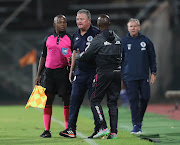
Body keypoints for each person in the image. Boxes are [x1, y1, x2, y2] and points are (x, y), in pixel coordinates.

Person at [79, 14, 121, 139]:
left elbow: (86, 56)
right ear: (109, 24)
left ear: (98, 25)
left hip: (104, 72)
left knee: (94, 99)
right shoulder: (118, 38)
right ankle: (113, 133)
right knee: (113, 102)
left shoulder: (98, 39)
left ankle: (103, 127)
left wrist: (78, 57)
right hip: (118, 72)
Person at [59, 9, 99, 138]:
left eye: (81, 19)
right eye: (77, 19)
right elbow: (74, 53)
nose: (79, 21)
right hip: (80, 73)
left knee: (94, 102)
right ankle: (71, 129)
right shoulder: (75, 35)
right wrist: (71, 71)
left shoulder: (97, 33)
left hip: (94, 72)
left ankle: (99, 129)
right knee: (74, 101)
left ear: (89, 20)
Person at [35, 14, 72, 138]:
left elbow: (73, 58)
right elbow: (43, 56)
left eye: (65, 22)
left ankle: (67, 129)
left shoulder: (70, 38)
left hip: (63, 73)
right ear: (54, 24)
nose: (63, 24)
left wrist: (72, 71)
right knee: (47, 101)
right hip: (49, 74)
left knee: (66, 100)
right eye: (60, 22)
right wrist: (38, 74)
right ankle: (47, 130)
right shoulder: (48, 38)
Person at [121, 18, 157, 134]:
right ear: (128, 28)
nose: (133, 28)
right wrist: (120, 76)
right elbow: (119, 60)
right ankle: (136, 125)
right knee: (133, 101)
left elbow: (152, 57)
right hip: (129, 77)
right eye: (131, 26)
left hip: (143, 76)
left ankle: (139, 120)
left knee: (145, 97)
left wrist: (153, 72)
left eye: (135, 26)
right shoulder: (124, 42)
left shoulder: (146, 41)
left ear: (139, 27)